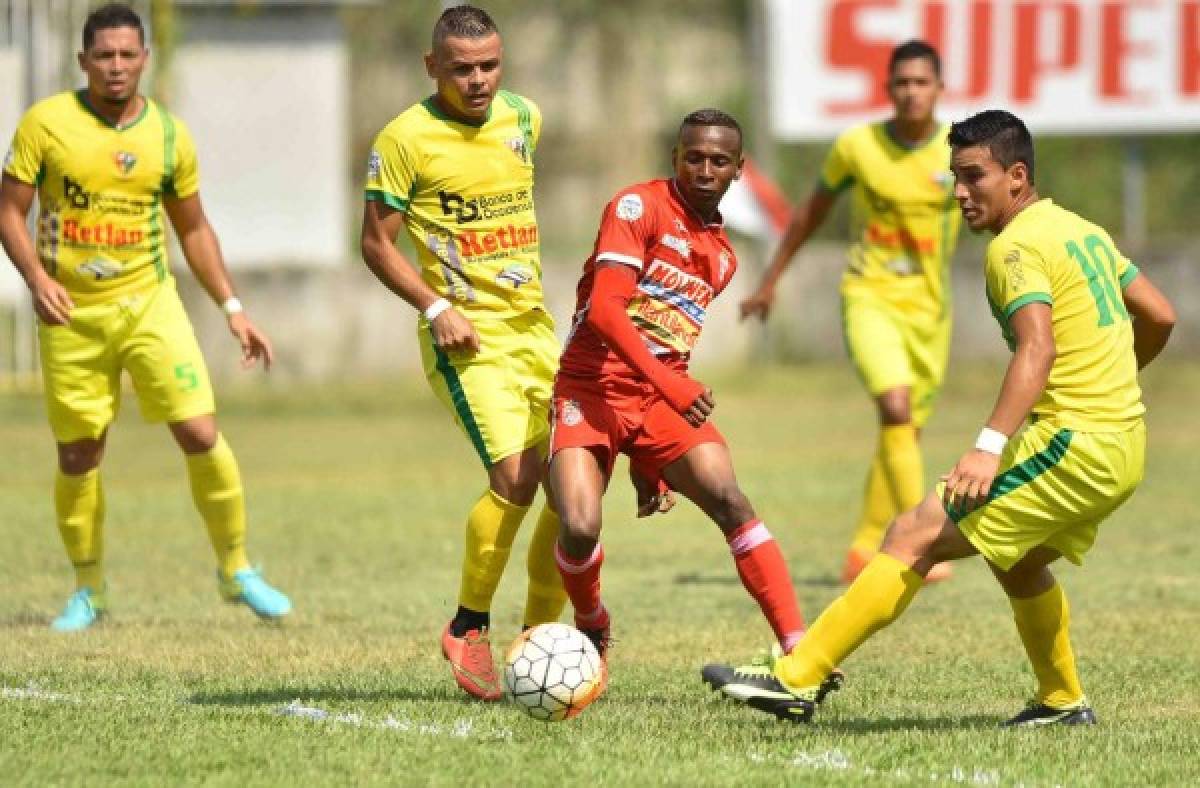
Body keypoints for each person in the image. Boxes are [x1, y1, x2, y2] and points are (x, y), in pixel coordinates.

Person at [706, 109, 1176, 726]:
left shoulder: (1016, 247)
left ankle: (797, 678)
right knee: (1020, 560)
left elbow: (1038, 348)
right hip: (1121, 445)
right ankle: (1062, 701)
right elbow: (1160, 314)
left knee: (913, 533)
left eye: (974, 176)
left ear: (1016, 176)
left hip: (1075, 443)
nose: (959, 191)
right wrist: (1113, 383)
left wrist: (988, 445)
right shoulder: (1079, 229)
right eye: (954, 176)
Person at [0, 3, 291, 631]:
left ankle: (236, 568)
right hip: (71, 314)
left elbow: (193, 228)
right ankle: (88, 590)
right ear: (83, 61)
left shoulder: (167, 134)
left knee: (200, 431)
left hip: (150, 304)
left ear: (144, 60)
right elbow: (8, 213)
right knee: (79, 453)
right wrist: (38, 279)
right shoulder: (45, 125)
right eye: (103, 55)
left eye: (127, 54)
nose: (116, 66)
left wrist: (233, 309)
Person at [548, 108, 838, 705]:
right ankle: (593, 623)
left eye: (718, 161)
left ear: (738, 170)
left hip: (655, 397)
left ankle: (798, 650)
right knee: (578, 524)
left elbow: (671, 338)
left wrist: (649, 457)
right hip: (590, 386)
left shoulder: (723, 256)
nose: (704, 169)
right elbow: (605, 313)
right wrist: (671, 387)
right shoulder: (637, 208)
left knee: (731, 498)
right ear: (676, 158)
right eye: (692, 157)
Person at [359, 4, 566, 702]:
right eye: (461, 69)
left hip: (535, 331)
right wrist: (435, 306)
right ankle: (468, 624)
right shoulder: (405, 138)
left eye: (488, 66)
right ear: (431, 67)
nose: (477, 81)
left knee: (573, 487)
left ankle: (542, 642)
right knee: (515, 476)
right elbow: (375, 244)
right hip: (466, 338)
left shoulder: (525, 119)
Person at [740, 41, 960, 583]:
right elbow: (811, 212)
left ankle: (863, 549)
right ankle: (922, 544)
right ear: (888, 88)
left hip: (930, 312)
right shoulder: (857, 146)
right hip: (870, 296)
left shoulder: (960, 151)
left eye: (921, 82)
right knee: (895, 407)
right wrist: (770, 279)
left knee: (903, 433)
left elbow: (1003, 208)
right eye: (901, 82)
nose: (911, 91)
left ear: (938, 87)